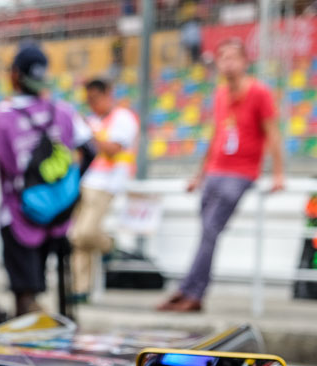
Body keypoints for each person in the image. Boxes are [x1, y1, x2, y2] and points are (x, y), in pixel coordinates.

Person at [157, 39, 283, 312]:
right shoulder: (220, 94)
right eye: (222, 57)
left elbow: (273, 132)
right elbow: (216, 136)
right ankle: (189, 290)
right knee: (206, 232)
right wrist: (199, 175)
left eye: (232, 57)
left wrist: (278, 174)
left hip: (241, 172)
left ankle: (191, 292)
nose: (227, 63)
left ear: (244, 62)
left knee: (210, 229)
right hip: (215, 170)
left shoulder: (259, 93)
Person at [0, 43, 93, 317]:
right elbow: (90, 149)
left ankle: (27, 339)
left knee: (24, 291)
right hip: (58, 214)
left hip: (18, 216)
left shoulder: (1, 118)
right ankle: (55, 337)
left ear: (15, 75)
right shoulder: (63, 111)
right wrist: (68, 189)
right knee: (57, 286)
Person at [70, 77, 139, 302]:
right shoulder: (91, 120)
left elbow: (112, 150)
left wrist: (88, 134)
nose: (91, 103)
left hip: (106, 184)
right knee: (76, 237)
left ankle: (110, 246)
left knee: (85, 233)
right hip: (83, 181)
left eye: (95, 98)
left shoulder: (123, 118)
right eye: (88, 99)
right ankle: (80, 289)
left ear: (108, 93)